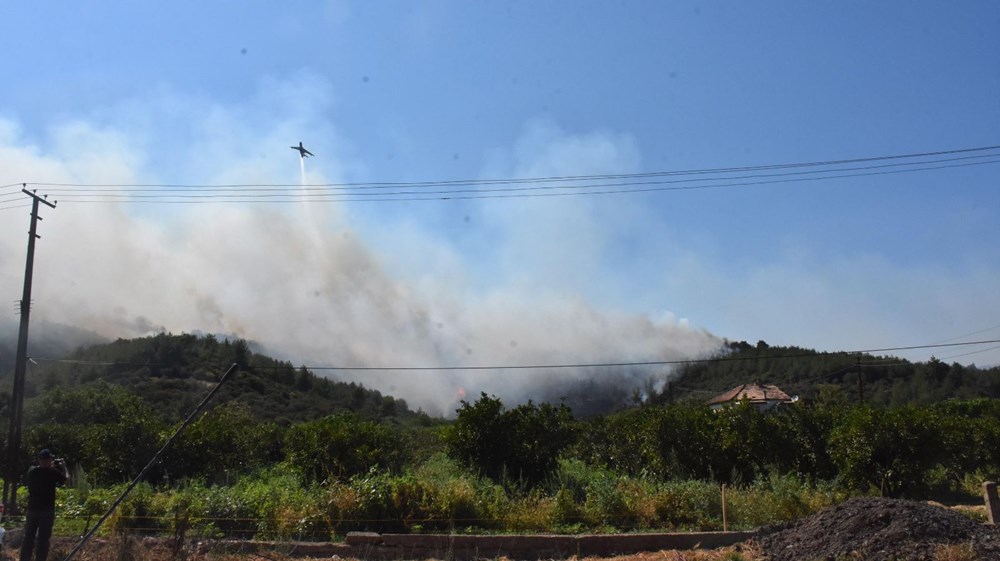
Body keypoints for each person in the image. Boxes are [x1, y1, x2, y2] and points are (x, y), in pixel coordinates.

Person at [20, 449, 68, 561]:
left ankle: (24, 558)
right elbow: (65, 480)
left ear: (39, 460)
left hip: (32, 509)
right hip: (47, 511)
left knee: (28, 537)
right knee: (43, 539)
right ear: (49, 460)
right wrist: (64, 467)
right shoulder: (52, 473)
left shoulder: (32, 472)